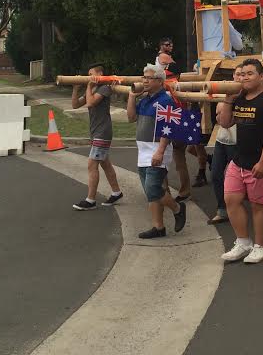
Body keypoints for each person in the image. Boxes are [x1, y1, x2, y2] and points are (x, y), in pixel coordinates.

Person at [217, 58, 263, 264]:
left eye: (250, 73)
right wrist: (229, 100)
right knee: (231, 200)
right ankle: (243, 242)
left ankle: (261, 247)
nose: (244, 77)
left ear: (261, 76)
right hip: (239, 161)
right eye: (242, 74)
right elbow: (226, 123)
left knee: (258, 206)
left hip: (261, 163)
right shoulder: (240, 98)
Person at [126, 64, 187, 238]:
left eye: (148, 78)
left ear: (159, 81)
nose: (144, 81)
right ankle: (158, 227)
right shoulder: (145, 99)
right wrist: (131, 96)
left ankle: (177, 208)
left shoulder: (166, 100)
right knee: (151, 193)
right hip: (143, 151)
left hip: (157, 150)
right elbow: (131, 117)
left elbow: (169, 128)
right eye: (143, 77)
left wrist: (160, 151)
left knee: (153, 189)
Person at [154, 37, 208, 197]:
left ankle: (183, 187)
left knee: (183, 150)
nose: (169, 47)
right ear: (160, 47)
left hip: (178, 106)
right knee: (182, 151)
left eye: (171, 44)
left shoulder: (164, 69)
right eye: (166, 44)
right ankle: (184, 187)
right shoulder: (164, 60)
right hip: (176, 106)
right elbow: (176, 74)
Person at [70, 63, 124, 211]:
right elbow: (75, 105)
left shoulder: (104, 88)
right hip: (95, 132)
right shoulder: (93, 88)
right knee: (105, 164)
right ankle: (116, 192)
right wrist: (75, 89)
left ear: (99, 74)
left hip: (103, 132)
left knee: (91, 165)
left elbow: (91, 102)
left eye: (91, 74)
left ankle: (90, 200)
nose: (89, 77)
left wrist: (88, 87)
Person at [208, 64, 243, 225]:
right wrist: (224, 105)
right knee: (216, 174)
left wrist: (225, 106)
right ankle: (222, 210)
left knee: (242, 177)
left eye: (243, 74)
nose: (240, 77)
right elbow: (219, 117)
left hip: (239, 142)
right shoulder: (226, 91)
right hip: (222, 140)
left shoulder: (249, 94)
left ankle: (259, 204)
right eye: (237, 74)